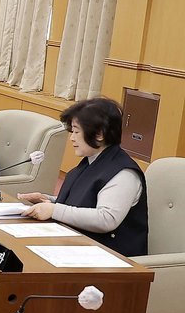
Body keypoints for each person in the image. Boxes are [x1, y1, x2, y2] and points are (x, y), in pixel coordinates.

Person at [18, 98, 148, 257]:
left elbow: (106, 219)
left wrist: (54, 210)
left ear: (99, 134)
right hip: (79, 247)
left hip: (110, 258)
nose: (72, 138)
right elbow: (86, 199)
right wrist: (49, 200)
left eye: (76, 131)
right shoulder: (91, 161)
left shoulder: (124, 173)